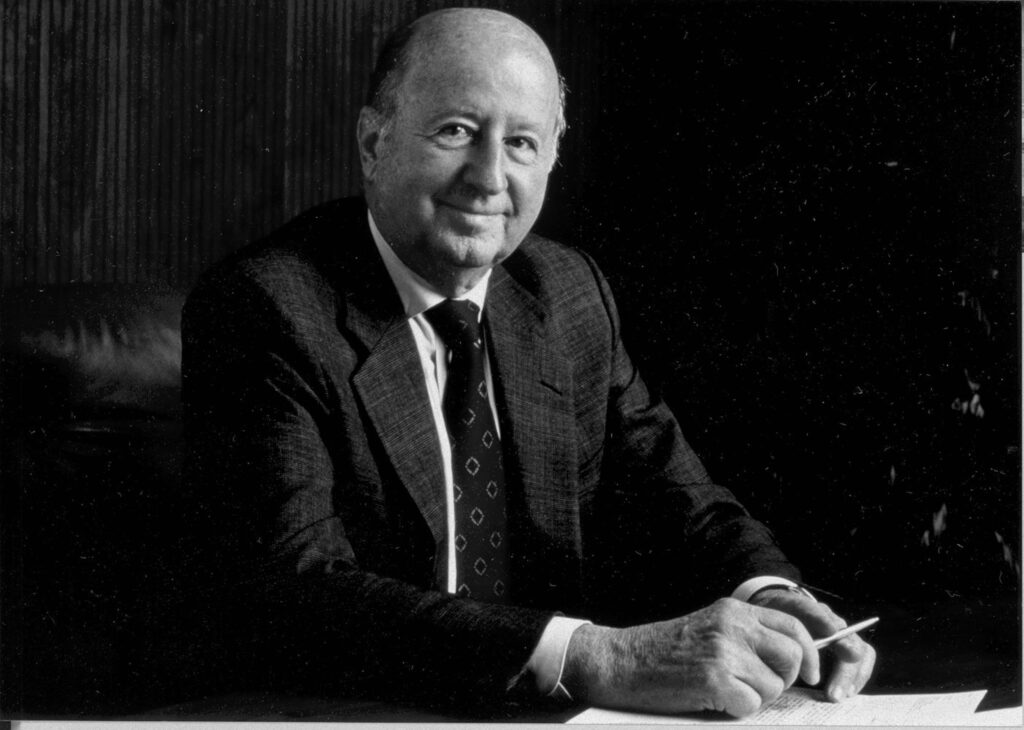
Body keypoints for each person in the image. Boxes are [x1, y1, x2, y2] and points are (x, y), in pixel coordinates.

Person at [180, 7, 875, 718]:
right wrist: (598, 657)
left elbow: (682, 499)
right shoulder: (267, 306)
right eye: (456, 131)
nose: (489, 178)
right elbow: (298, 589)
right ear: (373, 142)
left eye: (520, 143)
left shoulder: (566, 293)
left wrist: (774, 597)